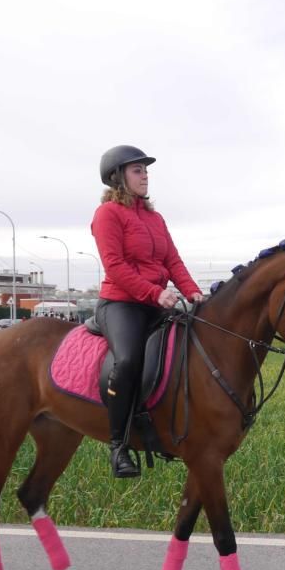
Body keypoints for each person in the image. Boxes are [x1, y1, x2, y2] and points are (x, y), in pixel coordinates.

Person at [91, 145, 204, 478]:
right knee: (127, 360)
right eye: (137, 170)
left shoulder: (155, 218)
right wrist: (155, 293)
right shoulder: (108, 214)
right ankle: (119, 445)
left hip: (156, 301)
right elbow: (115, 266)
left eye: (145, 170)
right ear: (118, 177)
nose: (145, 175)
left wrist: (192, 292)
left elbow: (172, 261)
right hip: (121, 303)